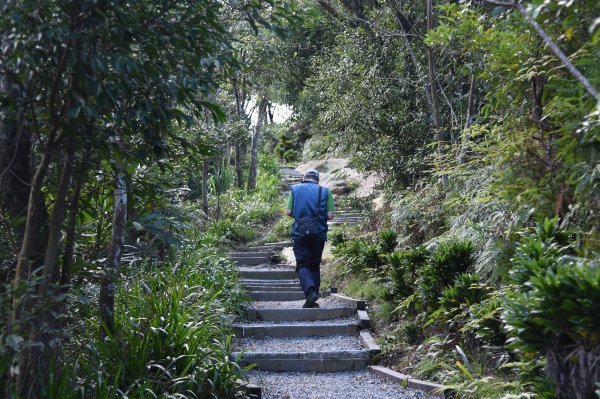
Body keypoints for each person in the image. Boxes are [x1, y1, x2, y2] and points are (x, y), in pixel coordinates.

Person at [286, 168, 335, 308]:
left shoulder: (295, 189)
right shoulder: (325, 191)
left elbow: (288, 212)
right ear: (317, 179)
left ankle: (310, 292)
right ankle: (312, 298)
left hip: (300, 233)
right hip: (319, 233)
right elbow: (330, 215)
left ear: (305, 177)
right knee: (314, 265)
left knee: (302, 264)